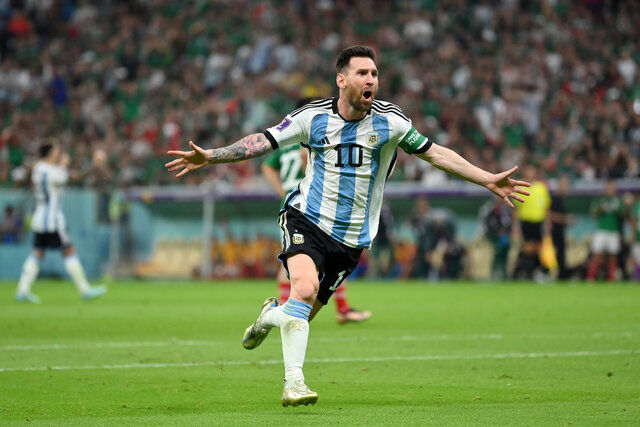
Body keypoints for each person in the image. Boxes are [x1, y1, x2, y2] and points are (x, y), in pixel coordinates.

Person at [165, 45, 530, 407]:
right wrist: (211, 156)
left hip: (352, 239)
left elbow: (435, 153)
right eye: (362, 73)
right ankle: (294, 383)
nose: (371, 80)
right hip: (306, 218)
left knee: (301, 312)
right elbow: (263, 141)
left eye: (374, 74)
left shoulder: (391, 122)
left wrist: (486, 178)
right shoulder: (312, 117)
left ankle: (269, 316)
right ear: (342, 80)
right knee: (304, 290)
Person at [261, 99, 371, 324]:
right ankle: (290, 311)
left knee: (295, 260)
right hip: (309, 204)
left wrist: (281, 190)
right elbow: (307, 163)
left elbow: (267, 165)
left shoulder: (287, 142)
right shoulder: (312, 137)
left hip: (291, 203)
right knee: (329, 257)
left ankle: (289, 309)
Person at [15, 142, 107, 303]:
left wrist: (62, 165)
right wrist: (94, 165)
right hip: (53, 221)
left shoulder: (39, 168)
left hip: (39, 219)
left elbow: (56, 172)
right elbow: (76, 178)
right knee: (69, 251)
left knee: (37, 252)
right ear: (50, 153)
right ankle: (85, 289)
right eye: (57, 150)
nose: (59, 153)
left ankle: (22, 290)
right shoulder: (51, 172)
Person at [512, 166, 551, 281]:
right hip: (526, 221)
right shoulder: (520, 188)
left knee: (538, 248)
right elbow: (516, 209)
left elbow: (546, 208)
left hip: (538, 221)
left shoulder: (541, 188)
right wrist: (515, 227)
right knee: (528, 247)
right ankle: (519, 270)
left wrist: (548, 225)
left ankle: (531, 271)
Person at [587, 179, 624, 281]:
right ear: (605, 189)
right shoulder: (600, 200)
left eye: (612, 187)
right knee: (597, 255)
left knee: (613, 256)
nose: (610, 189)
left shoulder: (618, 201)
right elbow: (593, 214)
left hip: (613, 231)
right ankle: (591, 277)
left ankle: (611, 278)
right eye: (609, 187)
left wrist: (617, 209)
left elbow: (623, 214)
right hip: (601, 230)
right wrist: (601, 209)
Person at [479, 197, 512, 280]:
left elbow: (508, 224)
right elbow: (485, 226)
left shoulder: (505, 210)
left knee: (505, 247)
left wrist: (503, 232)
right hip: (491, 236)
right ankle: (494, 271)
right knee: (497, 249)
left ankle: (503, 271)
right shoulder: (488, 209)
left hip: (503, 237)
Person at [549, 176, 573, 280]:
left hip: (560, 230)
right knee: (554, 253)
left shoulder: (562, 199)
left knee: (561, 253)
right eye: (564, 184)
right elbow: (550, 215)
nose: (566, 187)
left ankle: (561, 275)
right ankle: (552, 274)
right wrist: (566, 220)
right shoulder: (555, 198)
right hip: (554, 231)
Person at [631, 193, 640, 280]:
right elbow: (634, 222)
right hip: (638, 236)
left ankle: (637, 277)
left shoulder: (637, 206)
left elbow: (634, 222)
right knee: (637, 258)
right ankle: (638, 277)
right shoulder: (637, 206)